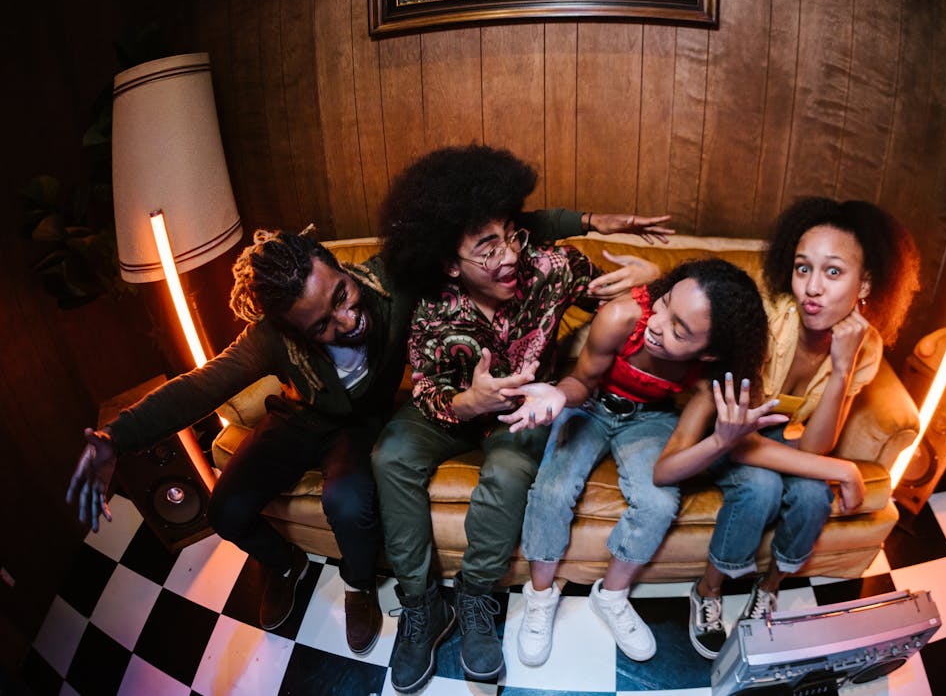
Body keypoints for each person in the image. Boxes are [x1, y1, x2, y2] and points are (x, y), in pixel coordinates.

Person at [65, 209, 669, 656]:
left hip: (363, 425)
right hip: (302, 418)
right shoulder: (271, 340)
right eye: (323, 325)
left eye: (344, 297)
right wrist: (115, 438)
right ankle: (289, 568)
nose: (348, 320)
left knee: (351, 495)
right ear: (293, 329)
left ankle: (382, 591)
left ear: (343, 270)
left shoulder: (392, 280)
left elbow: (495, 225)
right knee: (226, 510)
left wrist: (592, 221)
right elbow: (199, 386)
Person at [371, 144, 665, 693]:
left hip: (526, 410)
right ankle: (422, 606)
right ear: (449, 263)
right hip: (453, 410)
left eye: (511, 234)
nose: (508, 255)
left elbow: (628, 301)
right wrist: (470, 402)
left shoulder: (550, 268)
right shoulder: (432, 306)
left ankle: (478, 599)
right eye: (487, 247)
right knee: (390, 455)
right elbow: (430, 388)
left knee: (507, 474)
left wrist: (648, 274)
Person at [652, 196, 921, 659]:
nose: (812, 288)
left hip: (780, 438)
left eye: (833, 272)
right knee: (759, 488)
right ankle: (709, 591)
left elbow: (817, 446)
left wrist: (841, 369)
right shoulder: (771, 317)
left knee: (814, 494)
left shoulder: (866, 348)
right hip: (732, 432)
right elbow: (742, 445)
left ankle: (770, 587)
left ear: (865, 284)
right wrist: (843, 471)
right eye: (803, 269)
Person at [502, 258, 783, 666]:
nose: (657, 323)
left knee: (658, 502)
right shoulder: (622, 316)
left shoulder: (715, 374)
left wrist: (723, 438)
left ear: (709, 353)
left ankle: (611, 596)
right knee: (552, 489)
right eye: (664, 304)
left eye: (678, 329)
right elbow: (582, 380)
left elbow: (667, 470)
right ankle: (540, 597)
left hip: (650, 417)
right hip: (590, 405)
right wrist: (561, 396)